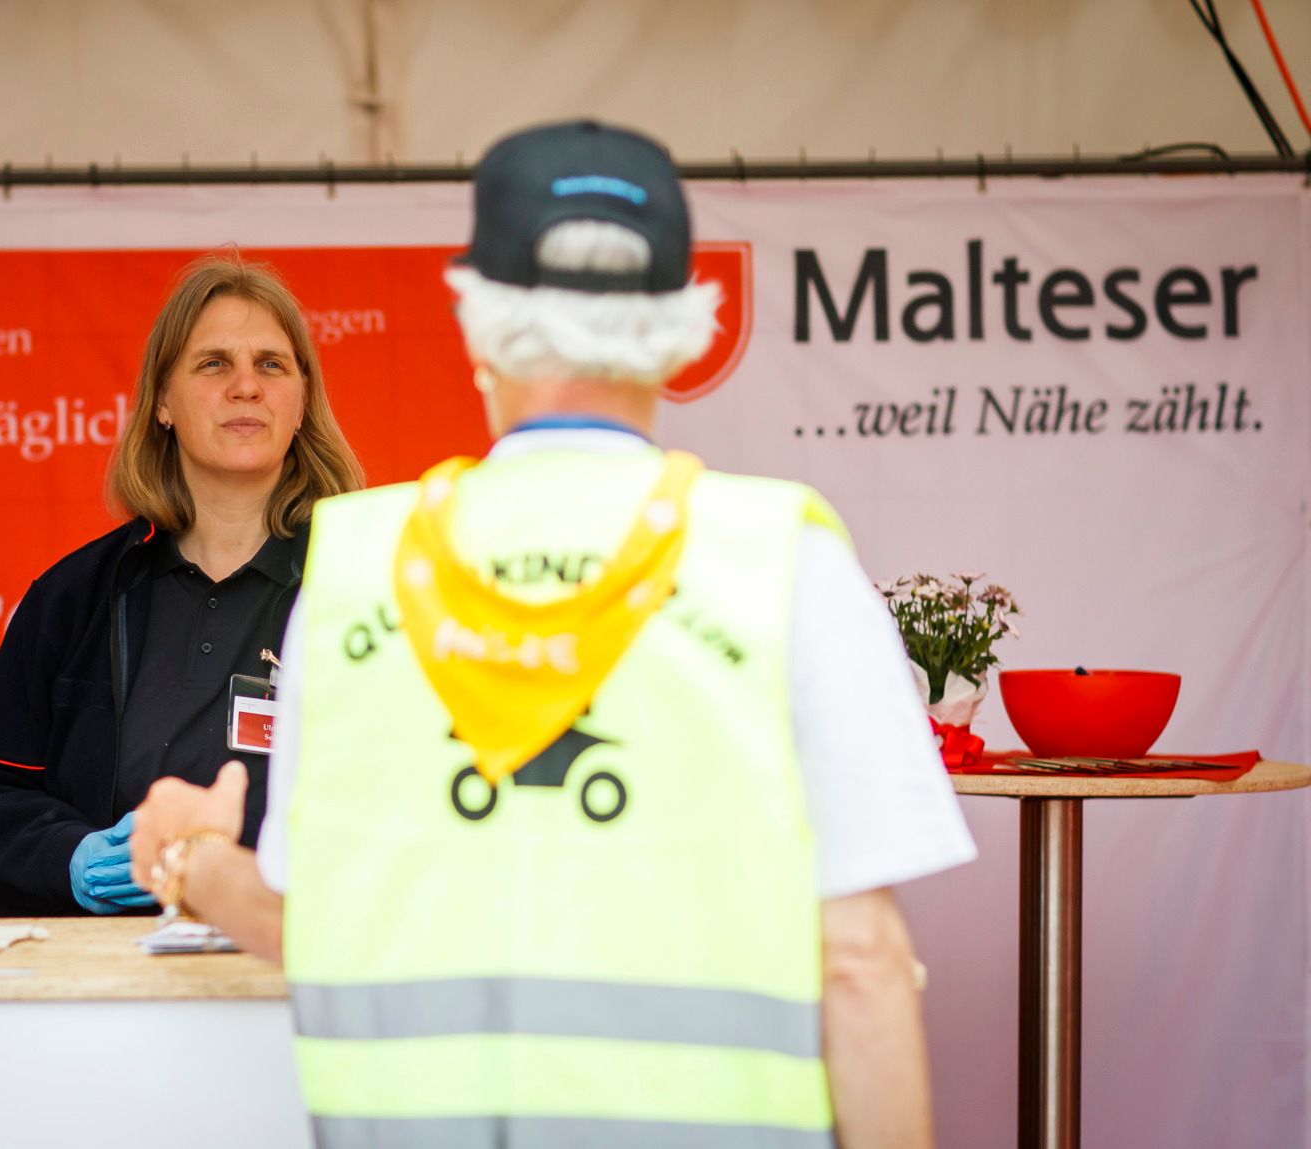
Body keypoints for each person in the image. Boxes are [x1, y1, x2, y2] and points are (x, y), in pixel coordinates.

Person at [130, 121, 975, 1148]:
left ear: (479, 327)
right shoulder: (784, 558)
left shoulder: (357, 566)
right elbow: (862, 961)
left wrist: (191, 857)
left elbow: (313, 925)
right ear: (684, 329)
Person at [0, 254, 362, 917]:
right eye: (214, 363)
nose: (246, 386)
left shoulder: (362, 588)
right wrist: (69, 855)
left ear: (302, 401)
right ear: (163, 401)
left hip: (280, 956)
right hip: (98, 969)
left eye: (271, 364)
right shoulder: (75, 596)